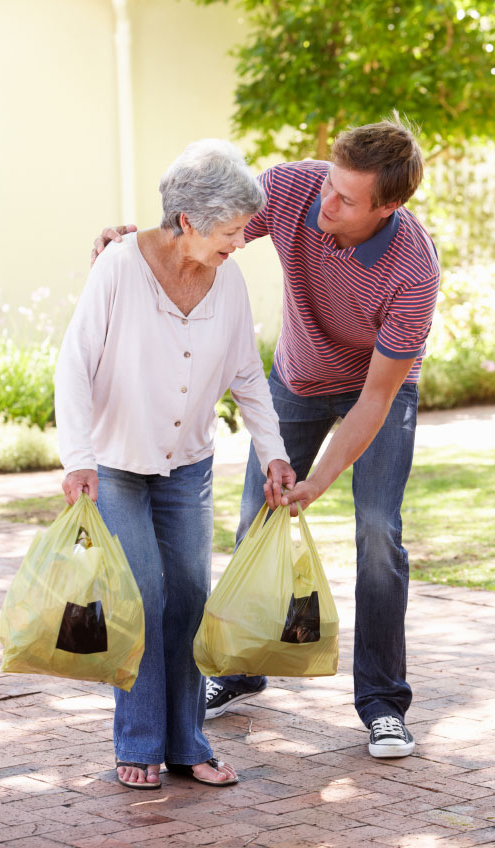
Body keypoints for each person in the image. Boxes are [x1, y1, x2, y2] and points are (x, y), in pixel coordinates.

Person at [92, 118, 440, 760]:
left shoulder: (412, 273)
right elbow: (200, 232)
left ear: (388, 207)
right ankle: (239, 670)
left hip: (375, 392)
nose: (325, 203)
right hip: (298, 377)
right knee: (254, 520)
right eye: (329, 184)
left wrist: (319, 480)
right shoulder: (292, 189)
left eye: (346, 199)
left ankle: (383, 703)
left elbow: (374, 400)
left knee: (377, 531)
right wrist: (134, 244)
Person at [56, 139, 295, 790]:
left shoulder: (229, 281)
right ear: (187, 221)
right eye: (230, 229)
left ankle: (188, 742)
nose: (240, 242)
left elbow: (247, 374)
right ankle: (139, 743)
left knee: (190, 598)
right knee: (142, 597)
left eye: (244, 228)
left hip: (187, 464)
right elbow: (74, 365)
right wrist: (77, 457)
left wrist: (273, 453)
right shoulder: (119, 269)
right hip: (116, 465)